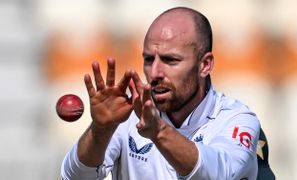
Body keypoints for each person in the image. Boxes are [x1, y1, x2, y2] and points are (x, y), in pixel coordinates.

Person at [61, 7, 261, 180]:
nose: (155, 73)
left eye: (170, 60)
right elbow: (74, 177)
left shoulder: (236, 119)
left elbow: (219, 174)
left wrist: (159, 132)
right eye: (148, 59)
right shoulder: (126, 116)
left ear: (205, 65)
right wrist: (101, 130)